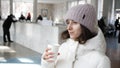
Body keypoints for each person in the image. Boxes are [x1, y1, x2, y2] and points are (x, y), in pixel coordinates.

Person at [41, 4, 111, 68]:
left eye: (74, 22)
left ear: (86, 27)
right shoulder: (63, 48)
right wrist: (47, 63)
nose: (69, 27)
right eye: (68, 23)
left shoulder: (101, 60)